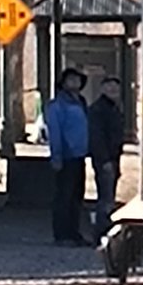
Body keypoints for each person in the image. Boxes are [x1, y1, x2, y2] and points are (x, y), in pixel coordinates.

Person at [45, 67, 89, 247]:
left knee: (77, 196)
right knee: (64, 196)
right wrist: (57, 155)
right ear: (63, 83)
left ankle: (74, 232)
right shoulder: (57, 106)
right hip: (66, 156)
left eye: (77, 80)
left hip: (80, 156)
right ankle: (62, 234)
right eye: (70, 80)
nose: (75, 83)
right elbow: (55, 132)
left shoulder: (81, 103)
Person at [88, 75, 125, 244]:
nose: (113, 91)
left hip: (113, 157)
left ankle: (104, 231)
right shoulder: (98, 110)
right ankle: (101, 233)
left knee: (108, 197)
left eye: (115, 88)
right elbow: (97, 138)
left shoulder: (114, 108)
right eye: (109, 88)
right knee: (105, 199)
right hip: (105, 159)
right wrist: (105, 160)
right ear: (102, 89)